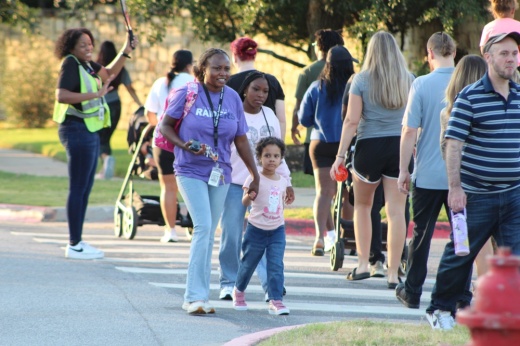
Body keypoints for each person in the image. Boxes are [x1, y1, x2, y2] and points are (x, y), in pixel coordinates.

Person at [426, 32, 520, 330]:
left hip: (514, 195)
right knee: (460, 254)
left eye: (515, 54)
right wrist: (455, 188)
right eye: (504, 53)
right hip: (475, 196)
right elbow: (453, 144)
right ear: (488, 58)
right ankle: (440, 308)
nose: (511, 59)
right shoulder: (470, 97)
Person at [159, 48, 260, 315]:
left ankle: (201, 296)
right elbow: (165, 126)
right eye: (217, 68)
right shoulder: (187, 93)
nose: (223, 73)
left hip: (221, 172)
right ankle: (194, 297)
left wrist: (255, 173)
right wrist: (184, 144)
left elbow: (240, 139)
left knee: (208, 232)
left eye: (227, 68)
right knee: (203, 227)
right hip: (189, 169)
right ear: (203, 69)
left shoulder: (233, 100)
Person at [330, 31, 413, 288]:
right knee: (396, 211)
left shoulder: (361, 80)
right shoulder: (409, 79)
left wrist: (340, 155)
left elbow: (351, 121)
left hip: (369, 147)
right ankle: (392, 272)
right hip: (399, 146)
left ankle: (364, 264)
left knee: (363, 207)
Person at [53, 28, 136, 259]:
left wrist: (126, 51)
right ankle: (74, 244)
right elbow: (61, 95)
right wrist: (95, 95)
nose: (88, 48)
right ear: (70, 47)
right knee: (78, 188)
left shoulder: (87, 64)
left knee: (85, 187)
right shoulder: (70, 63)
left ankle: (78, 241)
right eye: (82, 45)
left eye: (90, 44)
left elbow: (109, 73)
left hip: (89, 130)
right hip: (76, 130)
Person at [218, 72, 294, 301]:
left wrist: (286, 181)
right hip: (234, 182)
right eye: (256, 89)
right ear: (244, 89)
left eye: (265, 91)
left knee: (263, 235)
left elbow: (276, 151)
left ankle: (270, 288)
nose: (261, 95)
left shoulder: (269, 115)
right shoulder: (231, 112)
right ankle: (229, 282)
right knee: (231, 235)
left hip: (264, 185)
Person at [395, 32, 457, 309]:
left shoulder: (421, 84)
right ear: (454, 52)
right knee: (461, 235)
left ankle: (412, 291)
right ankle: (461, 293)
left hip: (428, 175)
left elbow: (409, 131)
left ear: (429, 54)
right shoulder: (468, 82)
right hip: (460, 176)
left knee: (421, 234)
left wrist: (403, 170)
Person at [439, 55, 496, 280]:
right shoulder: (491, 107)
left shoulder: (448, 113)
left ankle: (472, 290)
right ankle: (487, 289)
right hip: (493, 179)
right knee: (491, 242)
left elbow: (445, 149)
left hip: (463, 182)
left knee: (466, 241)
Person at [298, 45, 356, 255]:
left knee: (324, 193)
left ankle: (320, 239)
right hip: (348, 144)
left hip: (320, 143)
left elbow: (304, 119)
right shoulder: (356, 86)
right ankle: (346, 239)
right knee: (348, 194)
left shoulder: (316, 87)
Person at [232, 136, 292, 315]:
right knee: (248, 264)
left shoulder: (282, 181)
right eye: (267, 155)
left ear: (281, 159)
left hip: (277, 230)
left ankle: (276, 300)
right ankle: (239, 292)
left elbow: (281, 203)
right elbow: (244, 203)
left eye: (276, 156)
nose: (272, 159)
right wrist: (249, 196)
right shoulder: (253, 178)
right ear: (259, 157)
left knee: (276, 265)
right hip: (255, 230)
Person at [145, 50, 194, 243]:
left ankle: (170, 231)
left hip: (163, 140)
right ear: (189, 64)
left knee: (168, 187)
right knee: (191, 184)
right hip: (187, 140)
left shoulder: (160, 83)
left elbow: (150, 115)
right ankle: (193, 226)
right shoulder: (193, 82)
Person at [291, 29, 346, 177]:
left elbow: (299, 107)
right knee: (346, 191)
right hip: (346, 139)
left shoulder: (307, 72)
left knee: (323, 191)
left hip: (317, 138)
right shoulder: (348, 72)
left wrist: (294, 128)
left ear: (319, 46)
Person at [96, 41, 143, 179]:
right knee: (107, 137)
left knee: (98, 138)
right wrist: (140, 104)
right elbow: (130, 88)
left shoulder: (97, 68)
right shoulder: (121, 69)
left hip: (101, 106)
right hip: (116, 105)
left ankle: (105, 159)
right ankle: (105, 169)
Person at [226, 37, 287, 136]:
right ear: (254, 56)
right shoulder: (272, 81)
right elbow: (281, 119)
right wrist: (280, 147)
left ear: (234, 56)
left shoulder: (228, 83)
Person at [480, 0, 520, 65]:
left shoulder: (488, 27)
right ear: (513, 10)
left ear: (494, 11)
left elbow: (483, 50)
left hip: (498, 67)